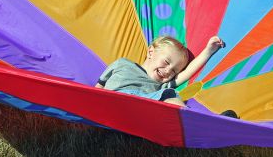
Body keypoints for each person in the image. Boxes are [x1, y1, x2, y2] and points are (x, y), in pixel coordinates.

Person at [95, 35, 224, 107]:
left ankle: (195, 122)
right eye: (166, 62)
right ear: (151, 52)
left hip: (143, 107)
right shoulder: (123, 64)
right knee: (168, 95)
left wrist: (209, 50)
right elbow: (98, 87)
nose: (168, 70)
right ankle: (193, 121)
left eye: (174, 71)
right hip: (113, 99)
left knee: (170, 95)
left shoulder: (162, 86)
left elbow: (188, 71)